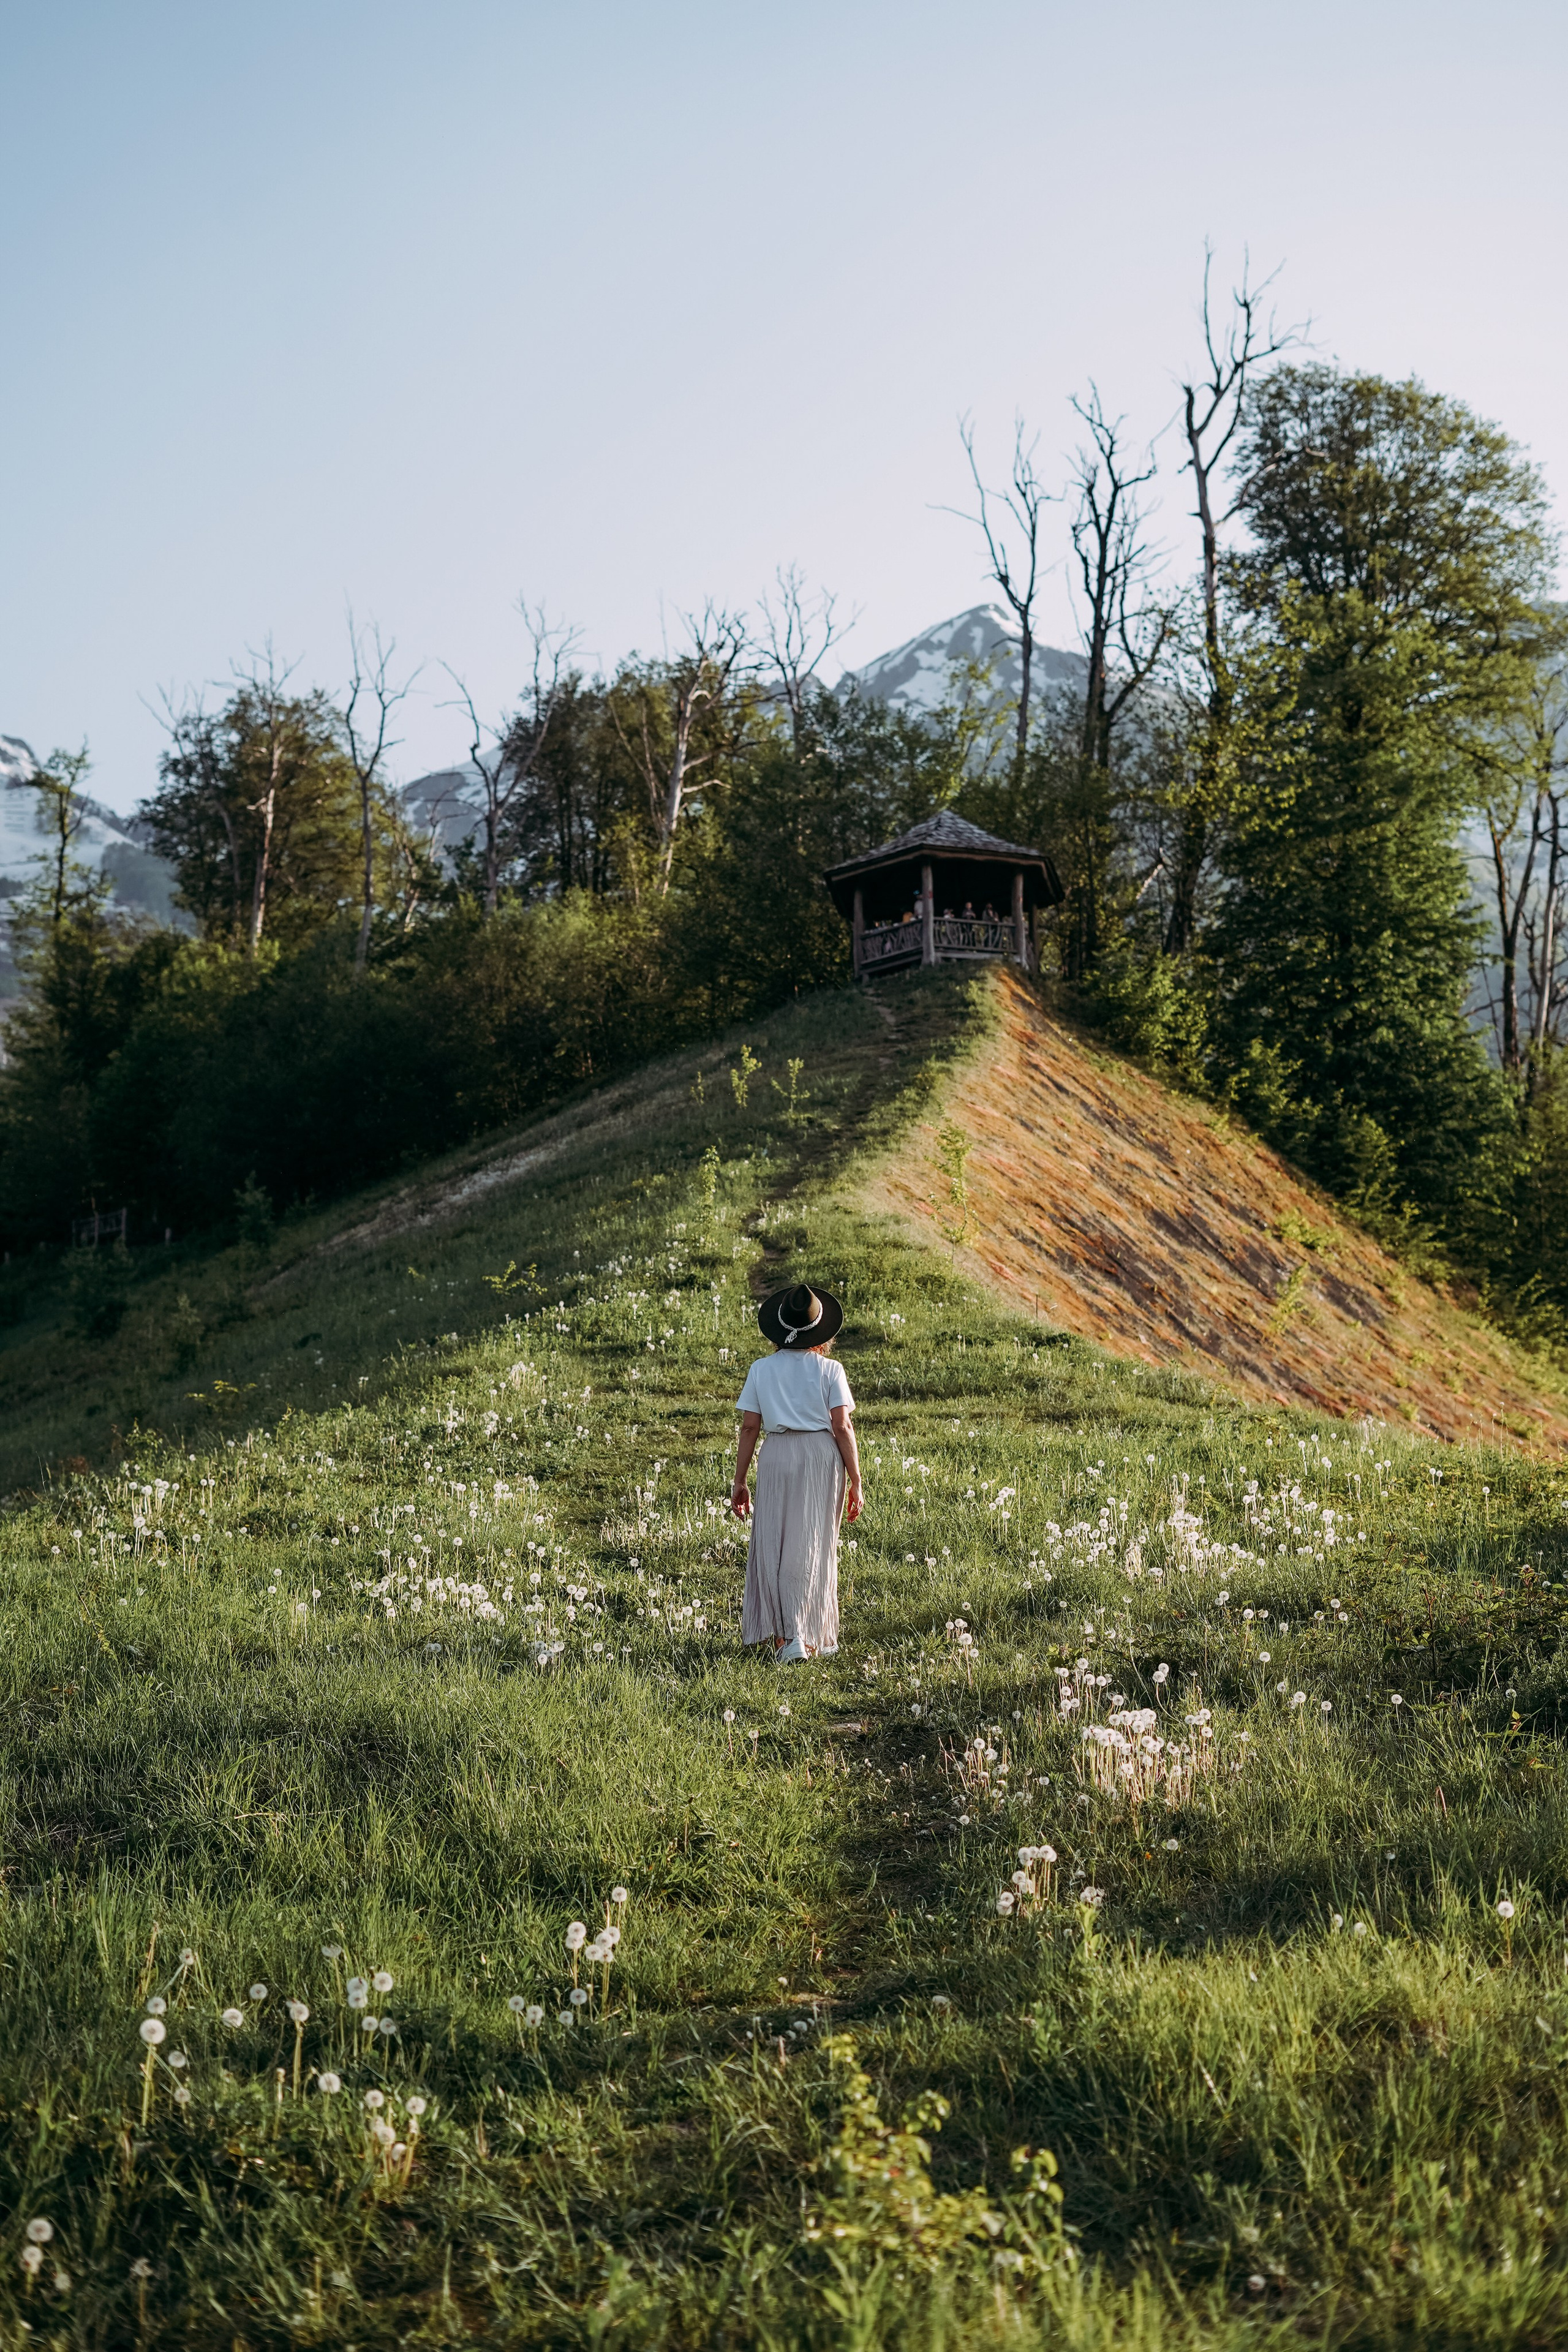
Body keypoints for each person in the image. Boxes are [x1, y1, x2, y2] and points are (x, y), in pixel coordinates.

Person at [731, 1282, 861, 1662]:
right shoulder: (830, 1370)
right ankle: (806, 1635)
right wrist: (856, 1479)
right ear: (819, 1331)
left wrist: (740, 1481)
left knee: (774, 1542)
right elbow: (842, 1427)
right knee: (813, 1543)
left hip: (776, 1455)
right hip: (820, 1457)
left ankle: (784, 1636)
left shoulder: (761, 1370)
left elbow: (750, 1427)